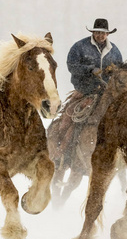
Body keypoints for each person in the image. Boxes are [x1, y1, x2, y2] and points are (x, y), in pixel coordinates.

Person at [51, 18, 123, 159]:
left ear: (107, 34)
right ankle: (60, 149)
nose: (100, 36)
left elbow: (120, 70)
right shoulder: (79, 47)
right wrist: (90, 70)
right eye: (97, 32)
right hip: (85, 90)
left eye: (103, 33)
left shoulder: (114, 51)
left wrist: (112, 72)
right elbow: (71, 65)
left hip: (107, 93)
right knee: (69, 116)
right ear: (93, 32)